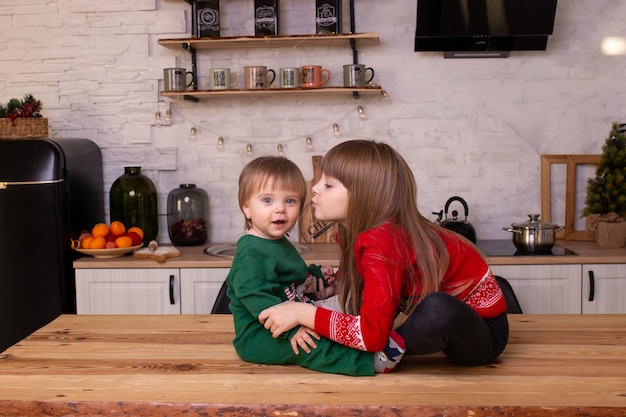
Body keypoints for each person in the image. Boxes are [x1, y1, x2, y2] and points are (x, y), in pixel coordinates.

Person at [259, 140, 509, 366]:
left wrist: (302, 312)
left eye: (328, 184)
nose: (314, 188)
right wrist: (340, 281)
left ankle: (383, 355)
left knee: (436, 309)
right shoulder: (360, 233)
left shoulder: (382, 242)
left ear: (362, 195)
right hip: (453, 327)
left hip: (482, 333)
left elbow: (372, 335)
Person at [226, 155, 405, 376]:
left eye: (290, 201)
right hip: (261, 334)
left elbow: (293, 278)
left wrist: (316, 277)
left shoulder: (278, 243)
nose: (280, 209)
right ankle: (369, 361)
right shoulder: (251, 252)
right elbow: (259, 301)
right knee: (310, 347)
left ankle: (368, 344)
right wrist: (291, 332)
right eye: (267, 200)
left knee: (328, 323)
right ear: (247, 209)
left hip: (287, 320)